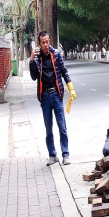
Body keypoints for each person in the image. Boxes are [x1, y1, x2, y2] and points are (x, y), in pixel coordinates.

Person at [29, 31, 75, 166]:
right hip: (45, 97)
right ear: (39, 43)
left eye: (47, 42)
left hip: (56, 94)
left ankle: (65, 154)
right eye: (43, 42)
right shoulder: (37, 58)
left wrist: (71, 88)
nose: (45, 45)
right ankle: (52, 155)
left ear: (49, 41)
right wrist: (31, 60)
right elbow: (33, 76)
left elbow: (64, 72)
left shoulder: (56, 54)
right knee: (48, 129)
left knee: (62, 127)